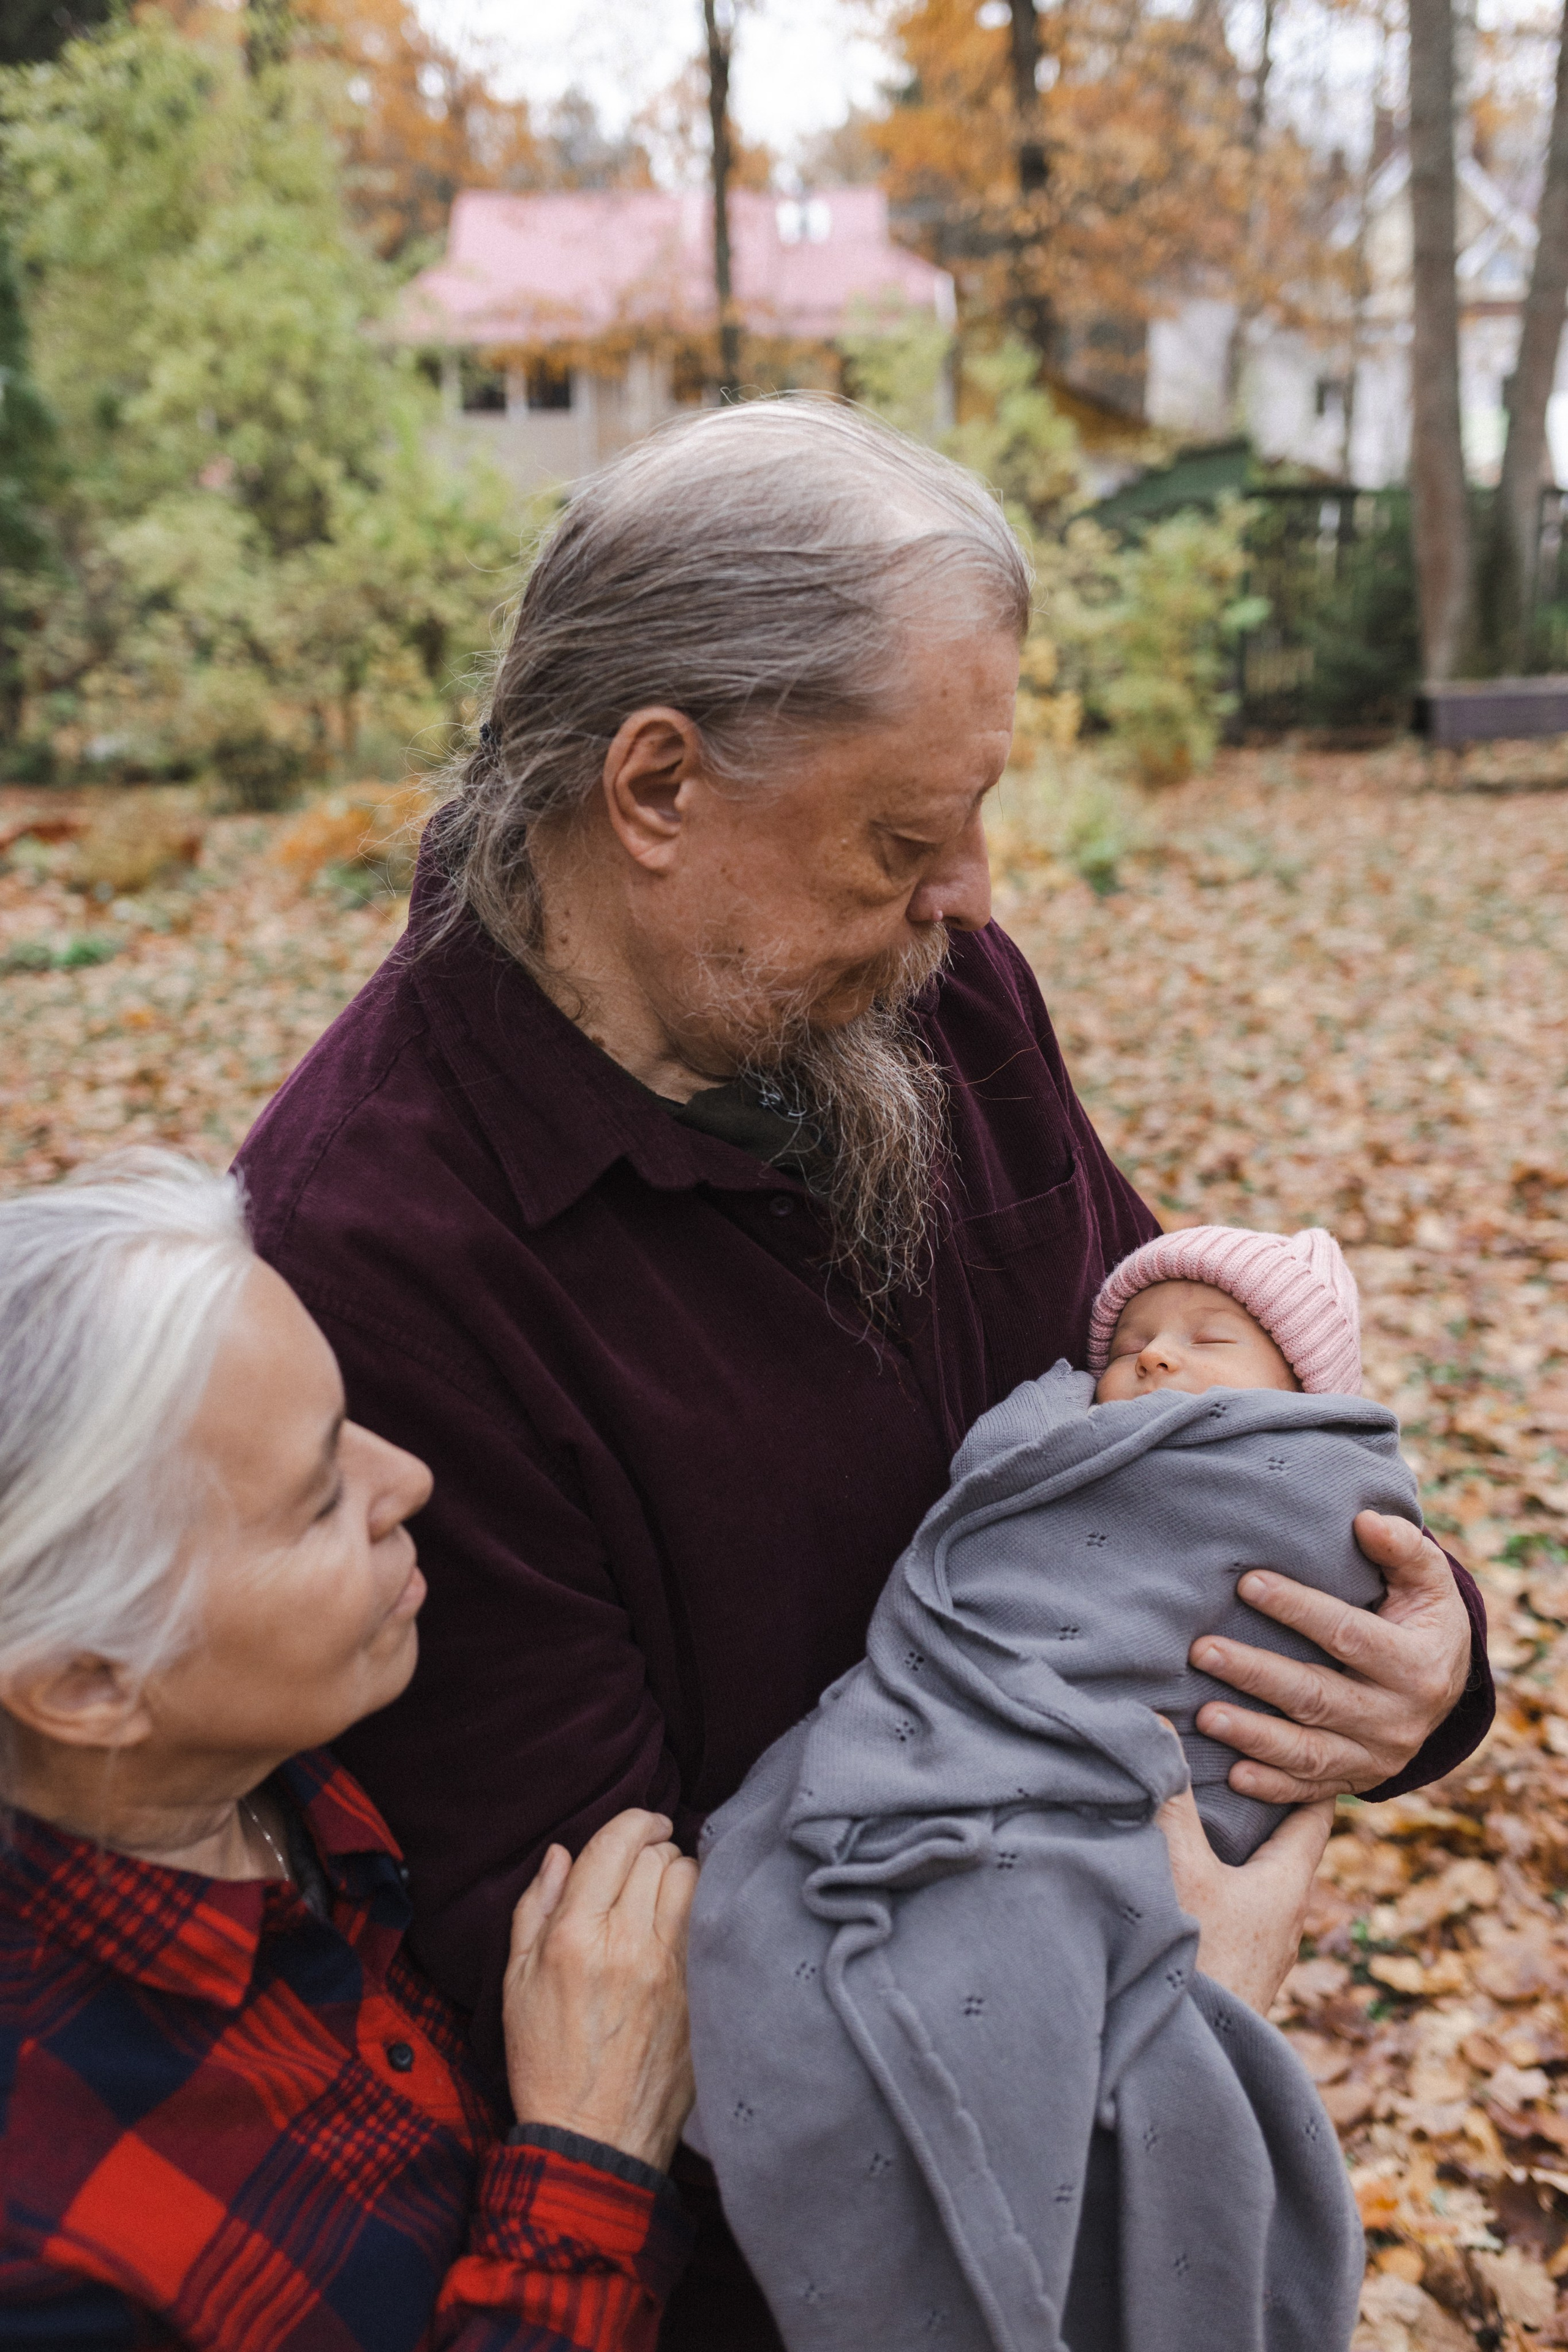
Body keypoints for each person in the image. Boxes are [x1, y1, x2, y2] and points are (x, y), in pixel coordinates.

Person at [233, 396, 1493, 2346]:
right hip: (801, 2238)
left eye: (976, 814)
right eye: (908, 834)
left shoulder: (937, 996)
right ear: (655, 786)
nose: (975, 892)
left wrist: (1418, 1661)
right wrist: (1161, 1991)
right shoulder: (374, 1250)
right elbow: (620, 1967)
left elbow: (1185, 1419)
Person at [0, 1155, 696, 2352]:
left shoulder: (281, 1762)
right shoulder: (51, 2243)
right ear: (87, 1681)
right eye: (320, 1496)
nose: (409, 1479)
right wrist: (591, 2150)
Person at [683, 1224, 1421, 2350]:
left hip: (1168, 1771)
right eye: (1131, 1343)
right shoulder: (1062, 1437)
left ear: (1302, 1392)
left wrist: (1434, 1649)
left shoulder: (1305, 1476)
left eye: (1209, 1338)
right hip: (976, 1714)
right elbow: (1002, 1516)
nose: (1156, 1360)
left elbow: (1353, 1545)